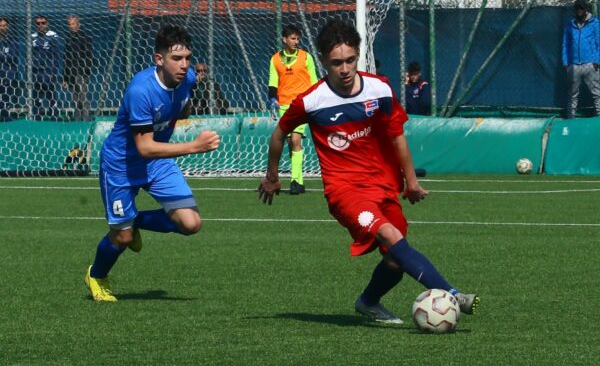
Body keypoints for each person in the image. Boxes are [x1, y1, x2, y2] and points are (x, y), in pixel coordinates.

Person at [259, 20, 479, 323]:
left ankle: (369, 301)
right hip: (344, 192)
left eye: (351, 60)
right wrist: (272, 176)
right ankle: (452, 294)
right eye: (337, 63)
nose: (345, 69)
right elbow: (279, 133)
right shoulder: (312, 100)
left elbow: (397, 136)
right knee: (390, 235)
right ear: (323, 60)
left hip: (383, 186)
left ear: (358, 55)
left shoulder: (380, 89)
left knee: (395, 257)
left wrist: (411, 182)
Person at [84, 25, 221, 302]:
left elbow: (182, 106)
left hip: (157, 163)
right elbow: (144, 147)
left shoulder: (189, 78)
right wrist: (195, 146)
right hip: (122, 165)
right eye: (176, 59)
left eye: (187, 58)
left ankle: (133, 222)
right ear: (159, 59)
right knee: (121, 239)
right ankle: (97, 275)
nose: (184, 65)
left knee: (190, 223)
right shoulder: (141, 91)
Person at [268, 25, 318, 195]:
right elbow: (273, 80)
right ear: (284, 39)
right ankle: (298, 180)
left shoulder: (306, 57)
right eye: (293, 38)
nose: (296, 41)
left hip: (302, 104)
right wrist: (272, 98)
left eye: (298, 38)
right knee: (290, 142)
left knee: (295, 140)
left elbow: (314, 80)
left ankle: (296, 181)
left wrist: (314, 101)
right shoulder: (275, 59)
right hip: (283, 106)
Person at [562, 0, 600, 118]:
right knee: (572, 94)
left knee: (597, 93)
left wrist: (596, 61)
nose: (579, 10)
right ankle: (570, 118)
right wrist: (565, 62)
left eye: (581, 8)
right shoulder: (570, 24)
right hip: (573, 65)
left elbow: (599, 43)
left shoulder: (594, 23)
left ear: (586, 9)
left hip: (590, 64)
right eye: (577, 8)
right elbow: (565, 44)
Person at [63, 14, 93, 121]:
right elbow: (66, 59)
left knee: (82, 97)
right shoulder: (68, 38)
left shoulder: (84, 38)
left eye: (73, 24)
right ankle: (77, 119)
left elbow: (89, 57)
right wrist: (65, 78)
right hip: (71, 74)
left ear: (78, 24)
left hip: (81, 73)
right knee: (75, 98)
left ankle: (85, 119)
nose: (71, 26)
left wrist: (84, 72)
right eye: (69, 24)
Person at [31, 14, 61, 120]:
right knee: (36, 97)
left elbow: (57, 55)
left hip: (49, 72)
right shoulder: (32, 37)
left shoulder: (53, 36)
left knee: (51, 96)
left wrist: (54, 71)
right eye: (38, 23)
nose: (40, 25)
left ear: (47, 24)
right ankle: (37, 118)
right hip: (36, 72)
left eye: (43, 23)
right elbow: (29, 56)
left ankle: (54, 117)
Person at [0, 17, 18, 121]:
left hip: (7, 74)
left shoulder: (12, 40)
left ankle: (5, 116)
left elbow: (13, 56)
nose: (2, 28)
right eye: (0, 26)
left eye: (4, 26)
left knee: (6, 98)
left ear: (8, 27)